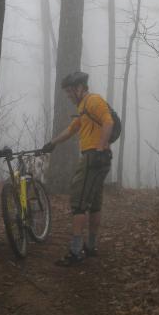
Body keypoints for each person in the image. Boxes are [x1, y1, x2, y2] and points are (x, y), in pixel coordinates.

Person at [42, 71, 114, 266]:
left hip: (94, 156)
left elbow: (108, 121)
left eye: (69, 92)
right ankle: (90, 246)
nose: (68, 96)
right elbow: (72, 128)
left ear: (79, 88)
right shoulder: (83, 107)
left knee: (79, 203)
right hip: (100, 158)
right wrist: (52, 143)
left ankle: (76, 252)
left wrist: (99, 147)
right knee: (95, 202)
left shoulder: (93, 101)